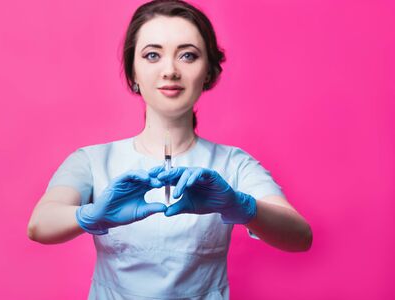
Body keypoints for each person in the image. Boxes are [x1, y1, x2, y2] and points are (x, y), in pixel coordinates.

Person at [27, 0, 313, 298]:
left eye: (188, 55)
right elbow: (39, 225)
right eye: (152, 55)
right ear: (133, 72)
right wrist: (89, 216)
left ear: (209, 71)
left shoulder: (234, 164)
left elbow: (300, 237)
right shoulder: (91, 160)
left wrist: (242, 207)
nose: (170, 71)